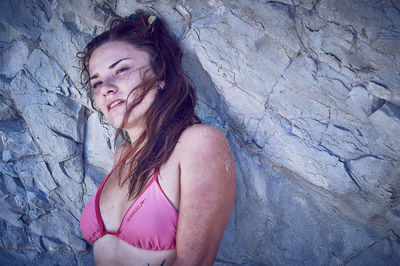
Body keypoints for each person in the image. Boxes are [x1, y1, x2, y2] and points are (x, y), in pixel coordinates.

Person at [78, 10, 236, 266]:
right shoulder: (122, 155)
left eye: (121, 70)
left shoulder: (199, 144)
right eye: (96, 83)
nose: (106, 88)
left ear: (160, 74)